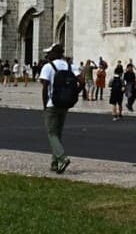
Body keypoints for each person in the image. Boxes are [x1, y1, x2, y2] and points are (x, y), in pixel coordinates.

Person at [39, 42, 81, 173]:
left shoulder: (48, 67)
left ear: (54, 53)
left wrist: (45, 105)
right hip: (65, 104)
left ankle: (62, 158)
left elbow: (45, 87)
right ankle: (54, 163)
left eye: (49, 53)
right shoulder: (70, 66)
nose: (47, 55)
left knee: (51, 133)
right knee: (58, 134)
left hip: (52, 104)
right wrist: (74, 94)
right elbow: (82, 81)